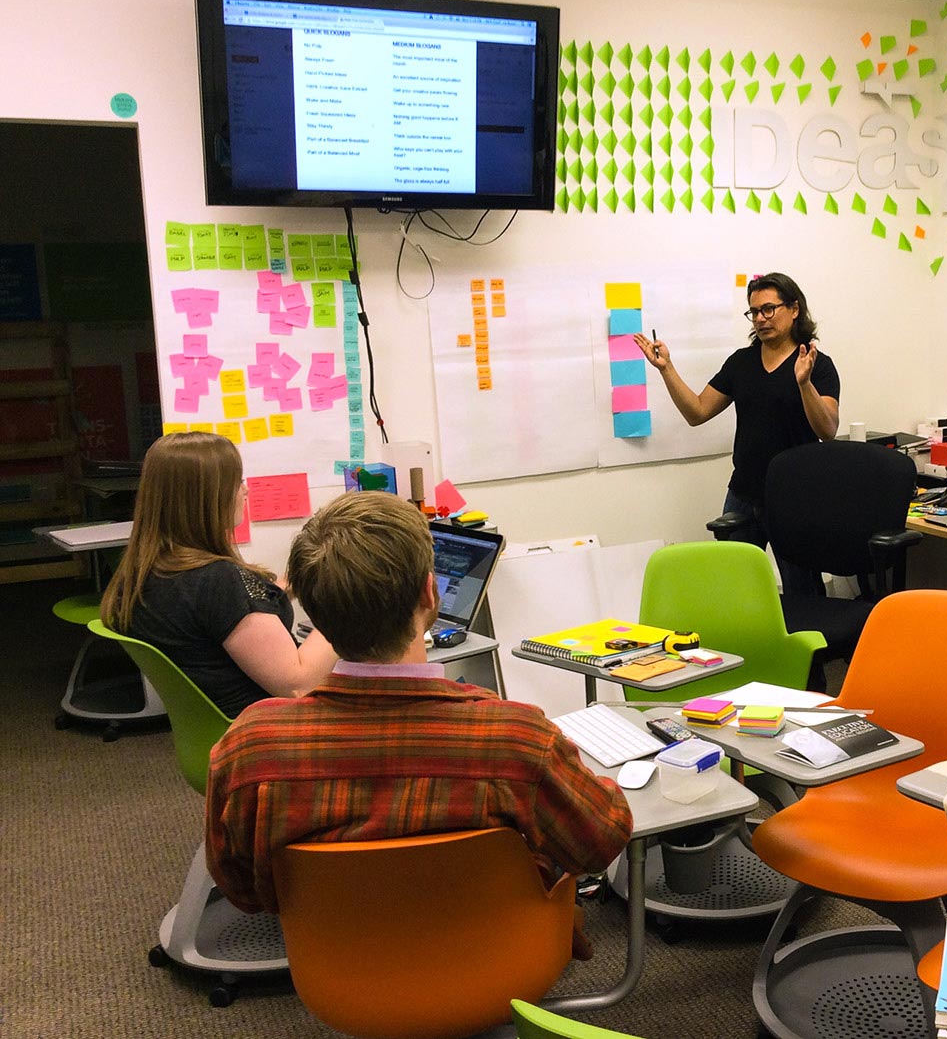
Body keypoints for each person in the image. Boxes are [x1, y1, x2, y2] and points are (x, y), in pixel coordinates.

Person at [205, 490, 631, 958]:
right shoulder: (517, 739)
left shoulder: (250, 746)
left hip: (339, 970)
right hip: (499, 958)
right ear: (431, 594)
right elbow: (601, 841)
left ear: (313, 611)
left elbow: (242, 889)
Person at [100, 431, 336, 719]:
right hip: (266, 732)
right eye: (236, 482)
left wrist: (286, 585)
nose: (245, 491)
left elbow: (221, 613)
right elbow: (298, 685)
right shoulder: (220, 581)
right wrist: (345, 612)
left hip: (221, 731)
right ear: (206, 498)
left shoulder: (144, 572)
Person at [633, 272, 840, 587]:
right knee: (735, 587)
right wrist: (667, 369)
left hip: (795, 497)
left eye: (769, 309)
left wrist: (804, 383)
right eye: (754, 312)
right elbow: (697, 411)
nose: (760, 318)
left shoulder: (815, 364)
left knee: (802, 589)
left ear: (794, 309)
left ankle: (810, 638)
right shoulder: (741, 363)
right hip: (743, 494)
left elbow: (828, 429)